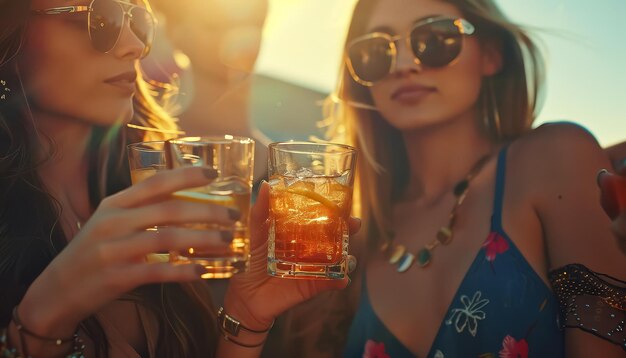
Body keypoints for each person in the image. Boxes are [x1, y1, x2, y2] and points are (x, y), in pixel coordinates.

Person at [0, 1, 357, 357]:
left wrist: (246, 319)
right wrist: (43, 316)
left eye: (137, 21)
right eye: (100, 18)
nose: (134, 45)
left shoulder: (153, 194)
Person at [287, 0, 625, 356]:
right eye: (375, 50)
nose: (403, 65)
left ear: (491, 54)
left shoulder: (554, 157)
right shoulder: (353, 238)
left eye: (434, 37)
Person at [144, 0, 270, 184]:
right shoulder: (144, 153)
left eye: (253, 22)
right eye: (214, 25)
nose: (237, 37)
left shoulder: (285, 170)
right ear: (174, 30)